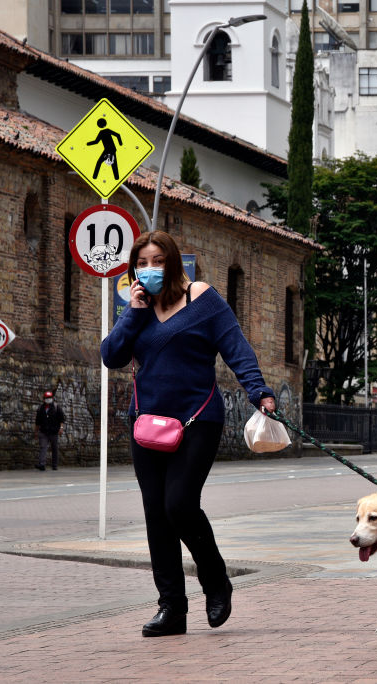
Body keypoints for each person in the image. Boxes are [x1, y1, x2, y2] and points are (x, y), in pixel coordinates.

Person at [100, 231, 276, 638]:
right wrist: (134, 311)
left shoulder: (203, 299)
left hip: (199, 419)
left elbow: (236, 347)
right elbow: (112, 356)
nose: (150, 269)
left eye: (158, 260)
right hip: (147, 423)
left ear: (174, 262)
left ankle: (215, 581)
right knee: (156, 516)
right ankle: (171, 609)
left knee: (179, 505)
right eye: (142, 262)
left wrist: (260, 391)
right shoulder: (138, 308)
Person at [34, 390, 65, 471]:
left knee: (54, 448)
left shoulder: (56, 407)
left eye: (49, 398)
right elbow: (37, 421)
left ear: (52, 398)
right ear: (44, 399)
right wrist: (36, 432)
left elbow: (62, 419)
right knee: (43, 447)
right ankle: (42, 464)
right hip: (43, 431)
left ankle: (54, 465)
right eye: (47, 398)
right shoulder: (41, 408)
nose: (48, 399)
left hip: (54, 431)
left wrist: (61, 428)